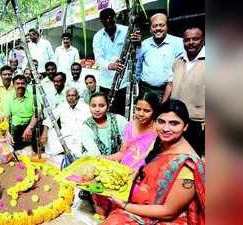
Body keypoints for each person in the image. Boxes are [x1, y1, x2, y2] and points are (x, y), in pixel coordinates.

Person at [101, 99, 205, 225]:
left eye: (174, 123)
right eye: (161, 121)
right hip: (145, 202)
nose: (166, 128)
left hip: (168, 218)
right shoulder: (160, 143)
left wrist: (125, 206)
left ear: (185, 126)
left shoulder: (187, 164)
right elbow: (143, 169)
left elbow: (169, 212)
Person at [92, 92, 160, 216]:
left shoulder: (159, 131)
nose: (140, 113)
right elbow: (122, 153)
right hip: (122, 171)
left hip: (142, 176)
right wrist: (105, 158)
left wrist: (138, 172)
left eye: (146, 110)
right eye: (138, 109)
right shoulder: (130, 126)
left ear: (154, 111)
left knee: (131, 195)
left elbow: (155, 163)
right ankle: (103, 217)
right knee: (97, 185)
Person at [93, 8, 141, 115]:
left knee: (123, 112)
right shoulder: (97, 37)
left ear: (115, 18)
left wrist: (138, 42)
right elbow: (98, 59)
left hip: (124, 81)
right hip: (106, 82)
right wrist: (110, 65)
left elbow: (136, 50)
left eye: (111, 18)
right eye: (106, 19)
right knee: (107, 112)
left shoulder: (127, 31)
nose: (109, 21)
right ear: (101, 21)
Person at [165, 27, 205, 157]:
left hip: (198, 121)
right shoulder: (178, 61)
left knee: (194, 158)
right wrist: (162, 108)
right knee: (174, 156)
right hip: (176, 118)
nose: (191, 42)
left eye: (195, 39)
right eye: (187, 40)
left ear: (203, 39)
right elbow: (170, 85)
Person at [136, 13, 184, 102]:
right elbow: (138, 66)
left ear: (167, 27)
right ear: (150, 29)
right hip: (145, 89)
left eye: (161, 25)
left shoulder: (179, 43)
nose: (158, 28)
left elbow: (180, 69)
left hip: (167, 91)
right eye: (154, 26)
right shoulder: (144, 44)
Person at [40, 88, 90, 156]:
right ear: (66, 97)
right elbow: (49, 119)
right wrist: (44, 133)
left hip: (80, 139)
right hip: (64, 138)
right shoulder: (62, 106)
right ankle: (54, 154)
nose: (71, 98)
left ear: (78, 97)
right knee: (50, 131)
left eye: (73, 95)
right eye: (69, 96)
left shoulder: (85, 107)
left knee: (78, 156)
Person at [4, 75, 38, 151]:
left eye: (22, 83)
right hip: (15, 127)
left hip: (30, 125)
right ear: (13, 85)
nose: (20, 86)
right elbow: (6, 117)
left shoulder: (33, 96)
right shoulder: (9, 97)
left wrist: (30, 128)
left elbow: (37, 114)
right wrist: (7, 132)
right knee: (11, 149)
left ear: (26, 84)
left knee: (30, 151)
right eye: (18, 83)